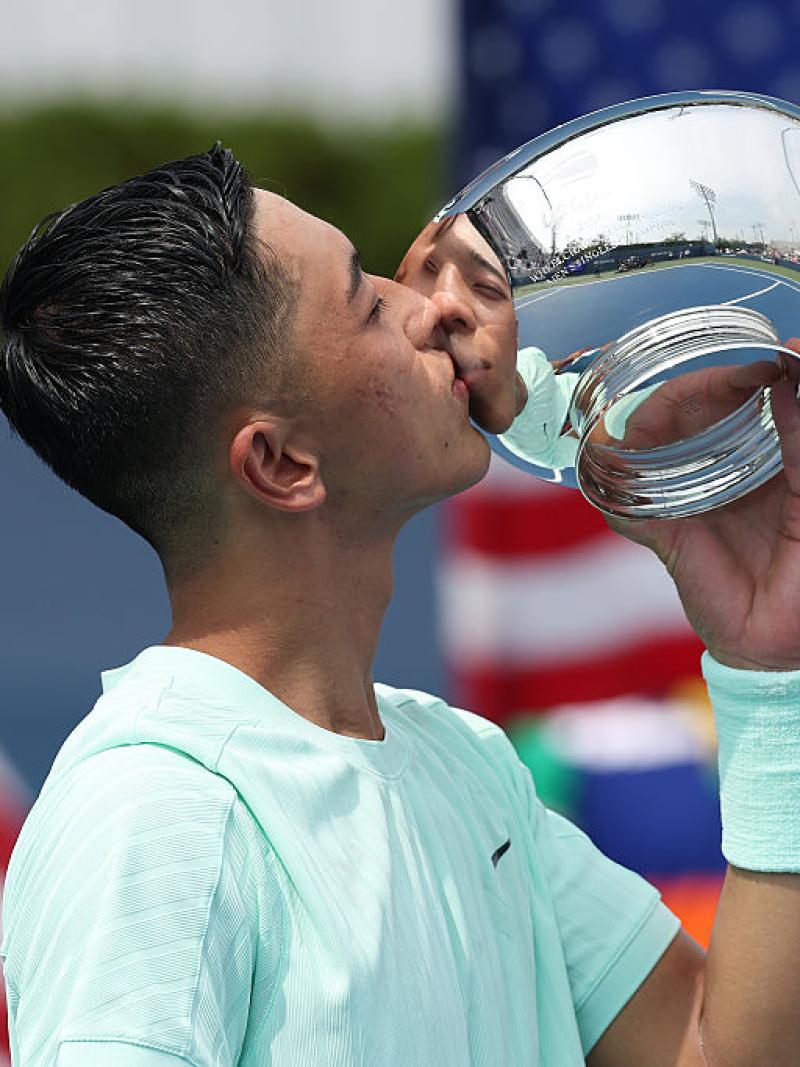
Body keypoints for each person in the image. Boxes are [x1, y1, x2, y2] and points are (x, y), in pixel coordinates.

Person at [0, 145, 799, 1066]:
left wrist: (769, 673)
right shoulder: (154, 812)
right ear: (281, 464)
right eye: (367, 301)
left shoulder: (468, 768)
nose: (431, 307)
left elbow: (726, 1049)